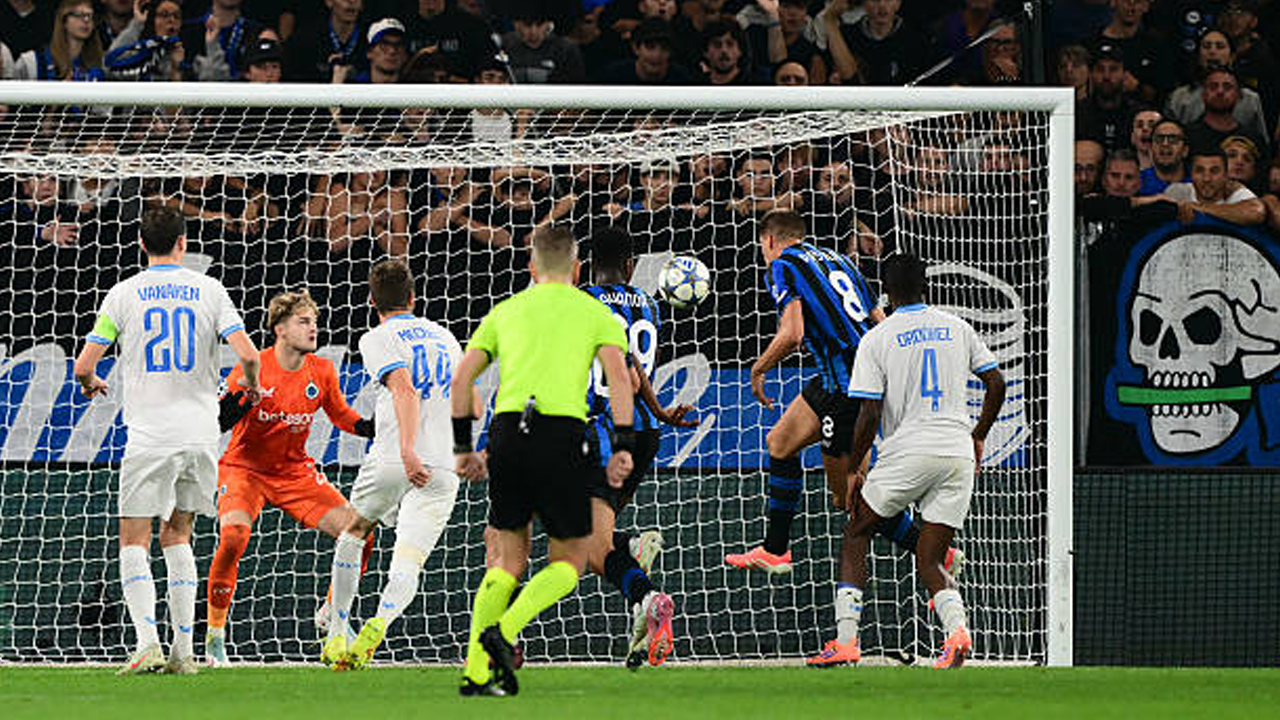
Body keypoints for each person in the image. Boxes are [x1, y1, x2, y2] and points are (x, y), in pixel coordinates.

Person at [72, 205, 262, 674]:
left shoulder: (123, 294)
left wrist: (91, 381)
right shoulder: (210, 290)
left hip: (150, 436)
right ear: (183, 243)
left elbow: (82, 364)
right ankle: (184, 652)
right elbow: (249, 355)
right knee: (178, 536)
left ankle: (145, 644)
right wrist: (252, 384)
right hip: (200, 436)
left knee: (133, 540)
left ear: (141, 245)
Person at [724, 211, 963, 581]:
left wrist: (759, 368)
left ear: (769, 240)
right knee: (780, 443)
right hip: (841, 377)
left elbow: (793, 333)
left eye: (762, 246)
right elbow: (879, 317)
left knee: (847, 498)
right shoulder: (838, 259)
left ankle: (935, 553)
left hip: (850, 389)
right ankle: (775, 550)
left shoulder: (783, 266)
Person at [450, 226, 635, 697]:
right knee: (570, 560)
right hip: (561, 434)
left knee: (507, 561)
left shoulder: (506, 310)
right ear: (577, 269)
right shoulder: (595, 312)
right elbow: (619, 378)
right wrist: (624, 445)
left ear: (531, 268)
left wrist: (462, 448)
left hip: (508, 434)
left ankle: (475, 671)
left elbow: (463, 377)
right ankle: (503, 633)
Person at [811, 252, 1005, 669]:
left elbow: (869, 413)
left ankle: (846, 641)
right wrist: (979, 434)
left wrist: (851, 469)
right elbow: (996, 383)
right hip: (956, 452)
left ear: (885, 292)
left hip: (908, 450)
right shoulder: (957, 327)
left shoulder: (877, 338)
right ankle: (957, 633)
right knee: (931, 556)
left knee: (857, 532)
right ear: (927, 287)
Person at [205, 289, 375, 667]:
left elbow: (341, 415)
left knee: (361, 532)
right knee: (233, 536)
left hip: (294, 472)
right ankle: (215, 637)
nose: (313, 328)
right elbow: (216, 421)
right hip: (244, 469)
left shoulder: (323, 370)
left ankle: (331, 611)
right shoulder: (252, 366)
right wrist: (240, 403)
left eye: (314, 321)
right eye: (303, 321)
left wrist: (370, 427)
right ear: (279, 328)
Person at [320, 259, 466, 670]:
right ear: (414, 297)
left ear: (372, 301)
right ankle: (379, 624)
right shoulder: (447, 338)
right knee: (409, 558)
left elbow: (403, 387)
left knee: (354, 532)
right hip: (442, 462)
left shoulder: (377, 337)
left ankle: (336, 634)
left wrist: (406, 448)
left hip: (396, 456)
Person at [581, 228, 697, 668]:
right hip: (647, 431)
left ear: (589, 264)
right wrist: (662, 410)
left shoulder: (582, 302)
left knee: (590, 548)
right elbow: (634, 365)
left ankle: (648, 598)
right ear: (630, 266)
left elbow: (620, 370)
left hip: (607, 431)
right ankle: (635, 564)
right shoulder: (646, 302)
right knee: (596, 538)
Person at [1159, 147, 1267, 225]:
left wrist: (1196, 207)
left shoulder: (1235, 193)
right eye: (1199, 171)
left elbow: (1256, 213)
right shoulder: (1178, 191)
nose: (1207, 178)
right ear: (1191, 175)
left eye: (1214, 171)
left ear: (1226, 175)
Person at [1138, 119, 1190, 195]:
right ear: (1151, 148)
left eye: (1173, 139)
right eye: (1159, 139)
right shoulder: (1137, 181)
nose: (1165, 144)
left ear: (1185, 150)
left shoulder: (1198, 182)